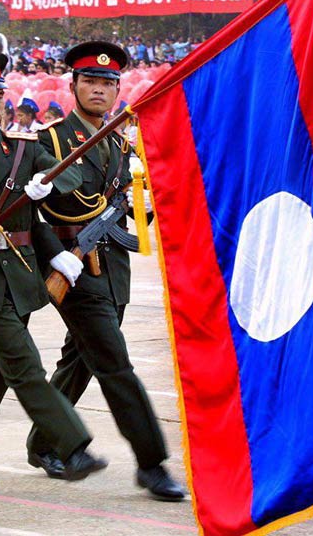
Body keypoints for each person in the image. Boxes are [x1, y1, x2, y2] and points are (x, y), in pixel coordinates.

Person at [0, 52, 107, 497]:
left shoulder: (24, 150)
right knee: (25, 363)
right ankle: (72, 446)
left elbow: (68, 182)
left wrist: (49, 181)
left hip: (22, 277)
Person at [25, 41, 185, 501]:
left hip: (112, 267)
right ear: (72, 85)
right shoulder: (49, 142)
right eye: (90, 81)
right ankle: (151, 462)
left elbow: (131, 212)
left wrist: (149, 204)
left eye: (107, 83)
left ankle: (44, 442)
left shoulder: (119, 142)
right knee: (116, 366)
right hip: (73, 268)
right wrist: (56, 254)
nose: (99, 89)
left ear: (118, 91)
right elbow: (26, 214)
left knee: (81, 358)